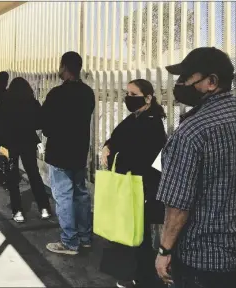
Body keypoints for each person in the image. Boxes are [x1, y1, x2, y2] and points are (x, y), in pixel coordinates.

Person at [155, 47, 236, 288]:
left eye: (186, 77)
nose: (180, 84)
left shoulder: (192, 132)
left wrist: (164, 250)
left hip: (202, 258)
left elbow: (178, 205)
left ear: (211, 82)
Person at [98, 79, 167, 288]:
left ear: (147, 98)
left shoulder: (152, 122)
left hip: (142, 185)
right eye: (126, 93)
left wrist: (116, 151)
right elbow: (116, 137)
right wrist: (107, 147)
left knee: (140, 232)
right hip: (132, 184)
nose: (128, 97)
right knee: (134, 230)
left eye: (133, 94)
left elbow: (141, 155)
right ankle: (137, 274)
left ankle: (144, 277)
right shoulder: (135, 118)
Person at [41, 51, 95, 255]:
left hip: (59, 153)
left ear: (64, 67)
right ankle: (85, 236)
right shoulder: (87, 93)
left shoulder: (56, 94)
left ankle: (69, 241)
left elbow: (45, 125)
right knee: (81, 195)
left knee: (64, 196)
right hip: (79, 152)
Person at [0, 77, 52, 223]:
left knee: (12, 177)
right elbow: (39, 122)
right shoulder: (31, 102)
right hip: (27, 142)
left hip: (10, 144)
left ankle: (18, 211)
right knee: (33, 174)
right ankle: (44, 208)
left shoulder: (5, 102)